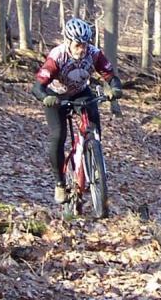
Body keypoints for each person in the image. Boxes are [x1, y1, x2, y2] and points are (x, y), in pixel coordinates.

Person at [32, 18, 123, 203]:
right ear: (68, 41)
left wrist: (115, 89)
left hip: (80, 92)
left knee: (94, 123)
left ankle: (94, 157)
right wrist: (45, 98)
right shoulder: (57, 57)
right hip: (56, 95)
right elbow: (37, 87)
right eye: (77, 45)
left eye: (85, 44)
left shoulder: (94, 54)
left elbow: (111, 75)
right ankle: (59, 184)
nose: (82, 49)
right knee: (58, 135)